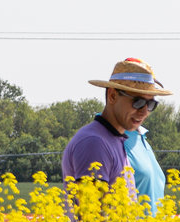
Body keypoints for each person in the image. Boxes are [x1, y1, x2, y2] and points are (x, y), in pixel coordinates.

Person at [60, 58, 172, 208]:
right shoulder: (95, 143)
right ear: (112, 96)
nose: (144, 111)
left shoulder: (114, 139)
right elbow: (92, 219)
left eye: (151, 104)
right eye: (137, 102)